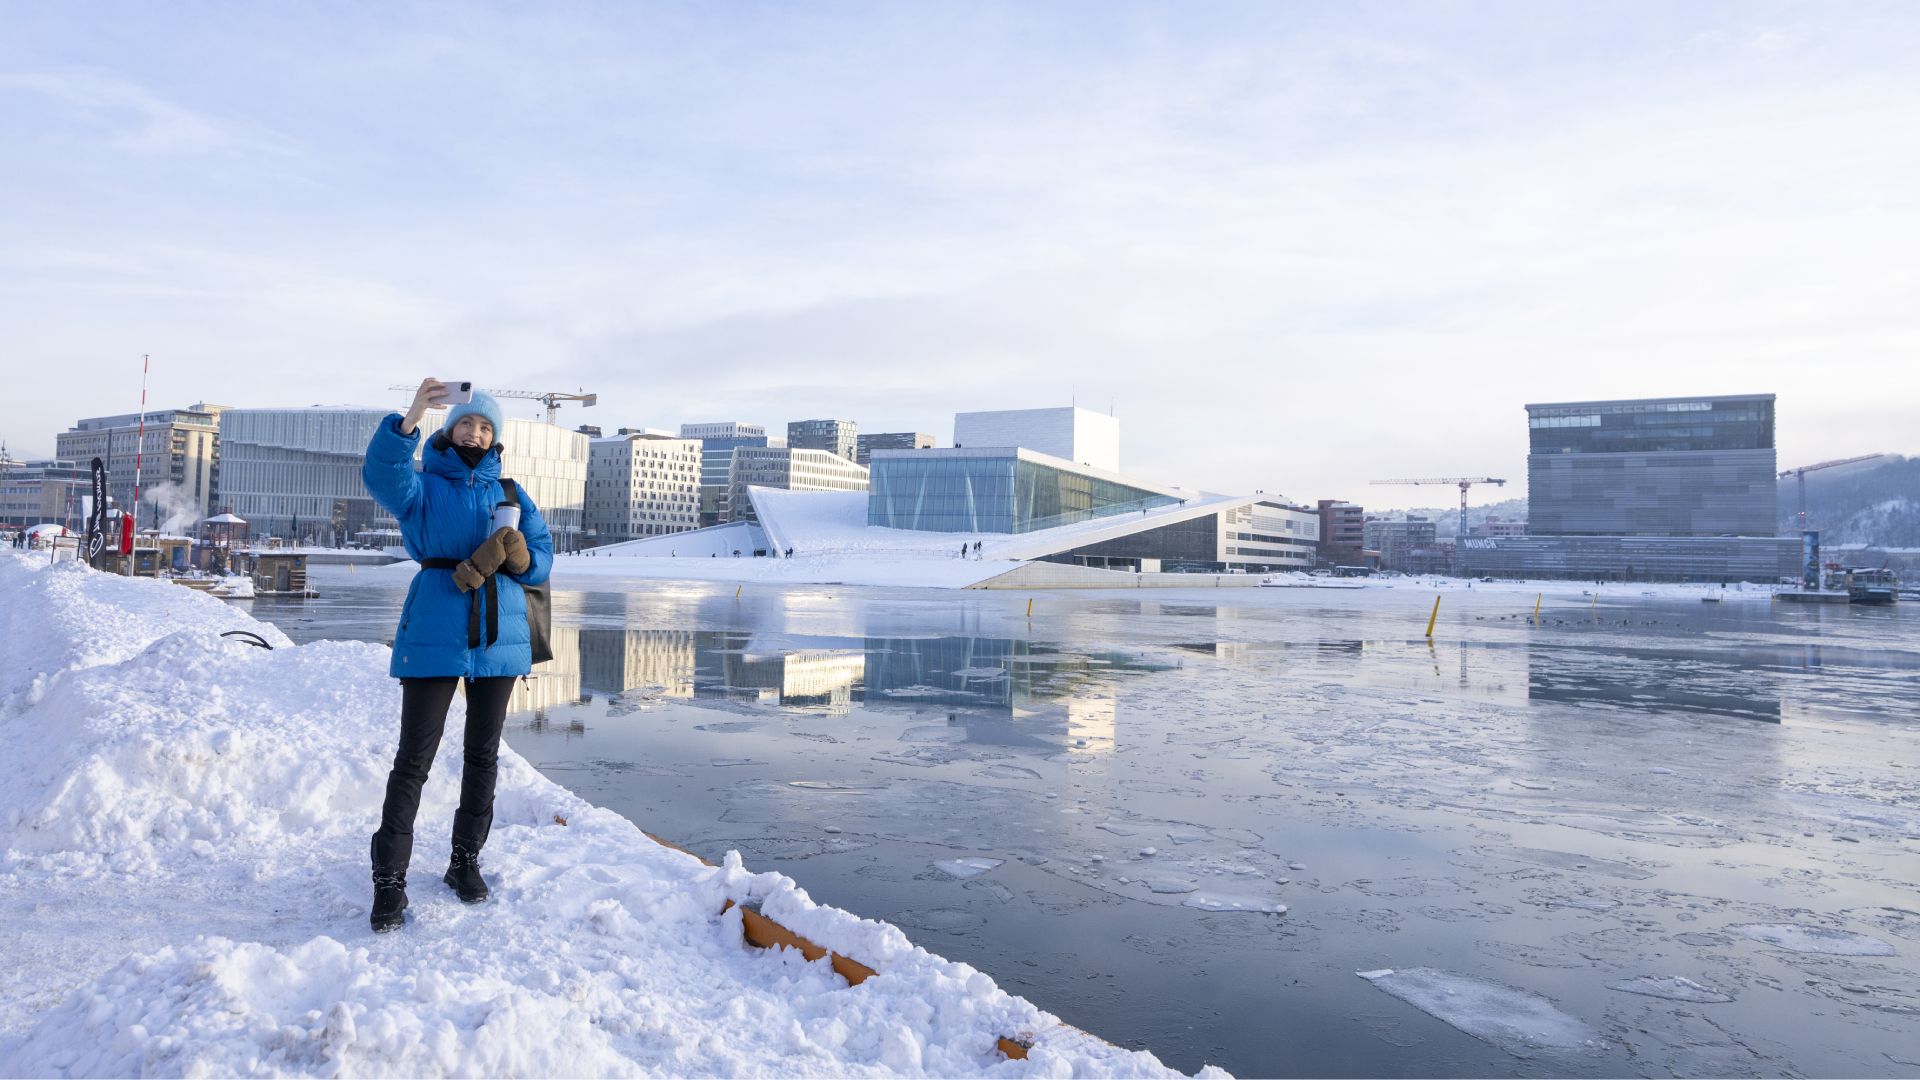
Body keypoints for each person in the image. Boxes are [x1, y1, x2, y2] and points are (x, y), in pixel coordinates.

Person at [360, 379, 554, 934]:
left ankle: (465, 861)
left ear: (495, 438)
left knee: (483, 757)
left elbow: (543, 558)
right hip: (437, 626)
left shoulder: (511, 493)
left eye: (485, 426)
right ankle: (389, 880)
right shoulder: (420, 486)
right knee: (413, 761)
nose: (475, 432)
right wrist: (412, 413)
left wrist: (519, 559)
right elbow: (380, 476)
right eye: (467, 423)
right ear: (448, 429)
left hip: (499, 634)